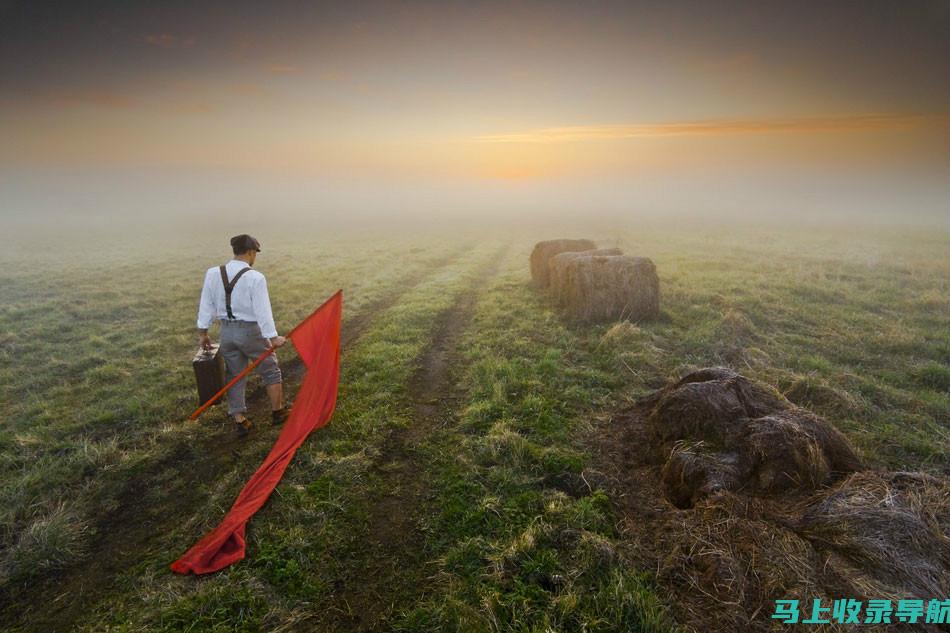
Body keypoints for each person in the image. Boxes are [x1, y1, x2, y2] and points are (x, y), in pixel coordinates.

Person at [196, 234, 289, 436]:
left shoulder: (213, 273)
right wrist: (273, 338)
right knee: (271, 370)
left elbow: (206, 304)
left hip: (226, 332)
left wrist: (203, 332)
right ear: (249, 252)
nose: (255, 256)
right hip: (251, 332)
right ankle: (278, 412)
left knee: (235, 375)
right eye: (255, 252)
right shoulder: (255, 277)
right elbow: (263, 311)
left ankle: (240, 421)